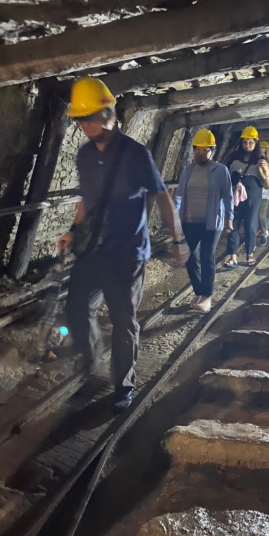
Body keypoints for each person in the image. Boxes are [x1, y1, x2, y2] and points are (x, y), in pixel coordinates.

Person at [55, 77, 189, 412]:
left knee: (123, 320)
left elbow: (162, 197)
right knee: (76, 308)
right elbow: (86, 199)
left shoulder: (136, 154)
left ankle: (123, 385)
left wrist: (179, 239)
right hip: (93, 249)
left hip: (127, 253)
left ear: (109, 115)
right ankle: (91, 368)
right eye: (80, 120)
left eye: (90, 118)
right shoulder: (85, 155)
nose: (85, 126)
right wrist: (72, 230)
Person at [174, 129, 233, 313]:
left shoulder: (221, 170)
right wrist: (175, 218)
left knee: (207, 257)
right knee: (189, 257)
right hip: (189, 220)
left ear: (212, 151)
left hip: (211, 222)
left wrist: (229, 219)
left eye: (205, 149)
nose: (201, 153)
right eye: (197, 149)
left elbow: (228, 196)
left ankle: (206, 296)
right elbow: (179, 195)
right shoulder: (188, 170)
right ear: (193, 150)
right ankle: (199, 291)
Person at [222, 126, 269, 268]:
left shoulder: (260, 161)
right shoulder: (234, 159)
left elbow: (268, 184)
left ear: (256, 143)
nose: (248, 145)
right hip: (236, 199)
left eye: (251, 142)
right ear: (241, 143)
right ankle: (233, 257)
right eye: (245, 142)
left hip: (253, 199)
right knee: (233, 226)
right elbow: (226, 177)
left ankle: (250, 254)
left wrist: (266, 170)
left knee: (250, 226)